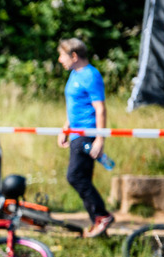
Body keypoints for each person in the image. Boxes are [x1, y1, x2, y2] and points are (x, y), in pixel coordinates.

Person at [56, 37, 115, 238]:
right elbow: (76, 106)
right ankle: (99, 224)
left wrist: (100, 138)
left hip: (87, 135)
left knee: (75, 177)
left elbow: (100, 109)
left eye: (62, 55)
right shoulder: (74, 74)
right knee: (82, 178)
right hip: (75, 134)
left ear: (74, 56)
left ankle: (102, 216)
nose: (59, 59)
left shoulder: (91, 75)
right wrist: (65, 128)